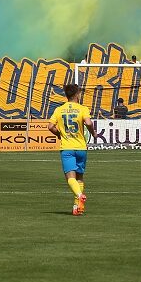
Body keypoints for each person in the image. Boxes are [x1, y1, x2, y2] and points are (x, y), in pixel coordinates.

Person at [47, 82, 96, 216]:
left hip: (67, 147)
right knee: (79, 177)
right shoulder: (82, 108)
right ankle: (77, 206)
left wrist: (59, 134)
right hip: (81, 147)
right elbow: (88, 122)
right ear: (77, 94)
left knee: (70, 177)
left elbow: (50, 126)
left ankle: (79, 195)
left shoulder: (59, 109)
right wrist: (93, 133)